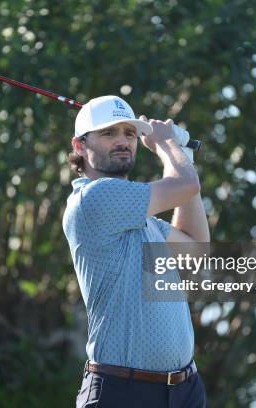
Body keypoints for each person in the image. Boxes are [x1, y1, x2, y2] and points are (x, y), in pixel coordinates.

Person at [63, 95, 210, 407]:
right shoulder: (93, 199)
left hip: (184, 391)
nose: (122, 141)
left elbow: (195, 247)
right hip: (124, 392)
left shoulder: (145, 221)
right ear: (79, 146)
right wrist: (169, 146)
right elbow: (185, 185)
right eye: (109, 133)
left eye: (130, 133)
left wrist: (183, 156)